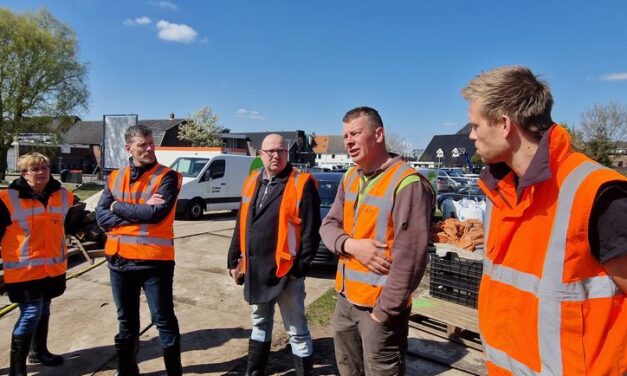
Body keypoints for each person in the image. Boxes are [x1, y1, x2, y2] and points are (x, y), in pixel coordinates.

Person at [461, 66, 627, 375]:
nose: (471, 135)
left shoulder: (595, 193)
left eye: (475, 125)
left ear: (504, 124)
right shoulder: (501, 193)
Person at [319, 106, 434, 375]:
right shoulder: (350, 177)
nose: (348, 141)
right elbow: (328, 226)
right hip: (346, 301)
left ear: (378, 134)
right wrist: (352, 245)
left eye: (356, 133)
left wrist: (383, 313)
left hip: (380, 310)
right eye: (345, 135)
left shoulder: (407, 182)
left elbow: (412, 259)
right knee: (348, 370)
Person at [227, 134, 321, 376]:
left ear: (287, 153)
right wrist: (233, 257)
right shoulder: (252, 181)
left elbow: (311, 233)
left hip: (286, 273)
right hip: (257, 270)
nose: (275, 155)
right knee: (259, 324)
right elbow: (242, 222)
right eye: (270, 151)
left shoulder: (302, 183)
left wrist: (299, 269)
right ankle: (254, 372)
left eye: (280, 151)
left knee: (297, 331)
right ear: (260, 154)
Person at [96, 124, 183, 376]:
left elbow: (155, 214)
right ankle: (126, 370)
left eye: (151, 143)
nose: (149, 148)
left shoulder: (167, 177)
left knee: (163, 321)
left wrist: (117, 207)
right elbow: (101, 218)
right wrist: (137, 209)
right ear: (129, 148)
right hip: (118, 262)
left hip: (153, 262)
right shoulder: (114, 177)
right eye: (142, 144)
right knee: (126, 323)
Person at [0, 153, 76, 375]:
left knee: (44, 309)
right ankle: (17, 369)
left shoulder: (63, 196)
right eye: (35, 169)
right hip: (24, 270)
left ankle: (39, 352)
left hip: (52, 268)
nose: (42, 173)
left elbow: (70, 224)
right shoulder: (6, 199)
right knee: (32, 312)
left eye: (44, 168)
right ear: (23, 174)